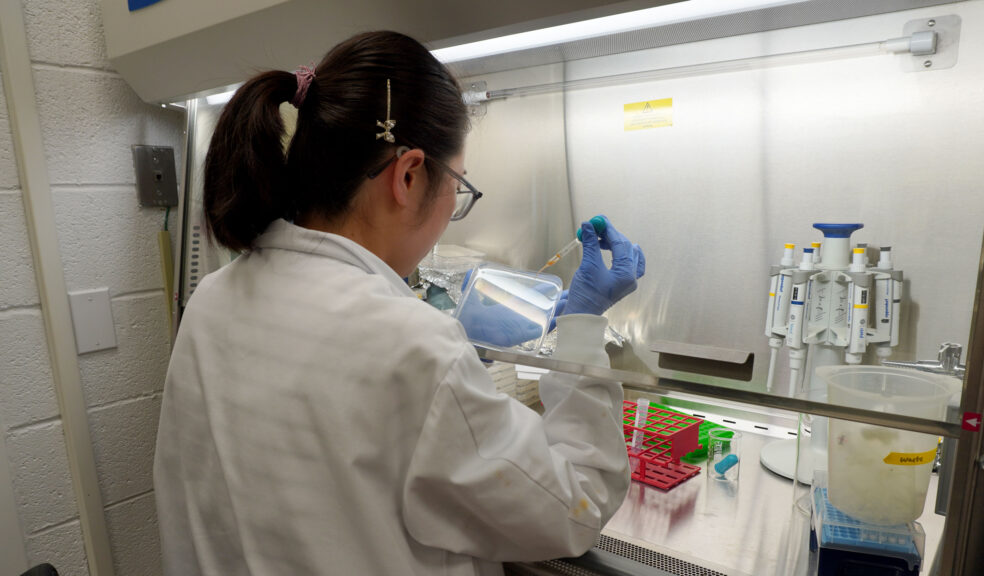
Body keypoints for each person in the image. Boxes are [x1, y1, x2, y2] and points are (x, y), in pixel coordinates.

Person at [154, 31, 646, 576]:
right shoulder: (413, 346)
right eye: (458, 186)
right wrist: (580, 328)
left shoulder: (210, 303)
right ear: (409, 176)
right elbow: (573, 507)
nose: (452, 207)